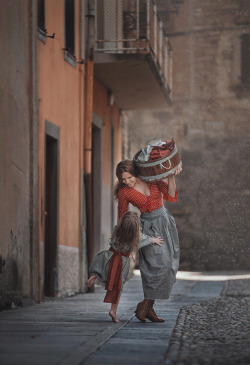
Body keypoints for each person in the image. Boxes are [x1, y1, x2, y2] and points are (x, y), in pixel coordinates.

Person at [114, 159, 182, 323]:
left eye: (129, 178)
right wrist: (134, 238)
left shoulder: (152, 179)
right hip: (147, 228)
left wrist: (171, 176)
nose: (127, 182)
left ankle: (147, 307)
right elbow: (123, 216)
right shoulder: (124, 192)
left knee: (168, 266)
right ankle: (144, 306)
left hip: (165, 223)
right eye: (123, 180)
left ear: (136, 173)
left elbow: (171, 196)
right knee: (154, 267)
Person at [87, 211, 162, 323]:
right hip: (121, 263)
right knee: (118, 287)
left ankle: (94, 274)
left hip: (108, 256)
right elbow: (144, 240)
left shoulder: (116, 230)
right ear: (136, 229)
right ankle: (113, 310)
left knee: (99, 262)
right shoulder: (136, 237)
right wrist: (154, 240)